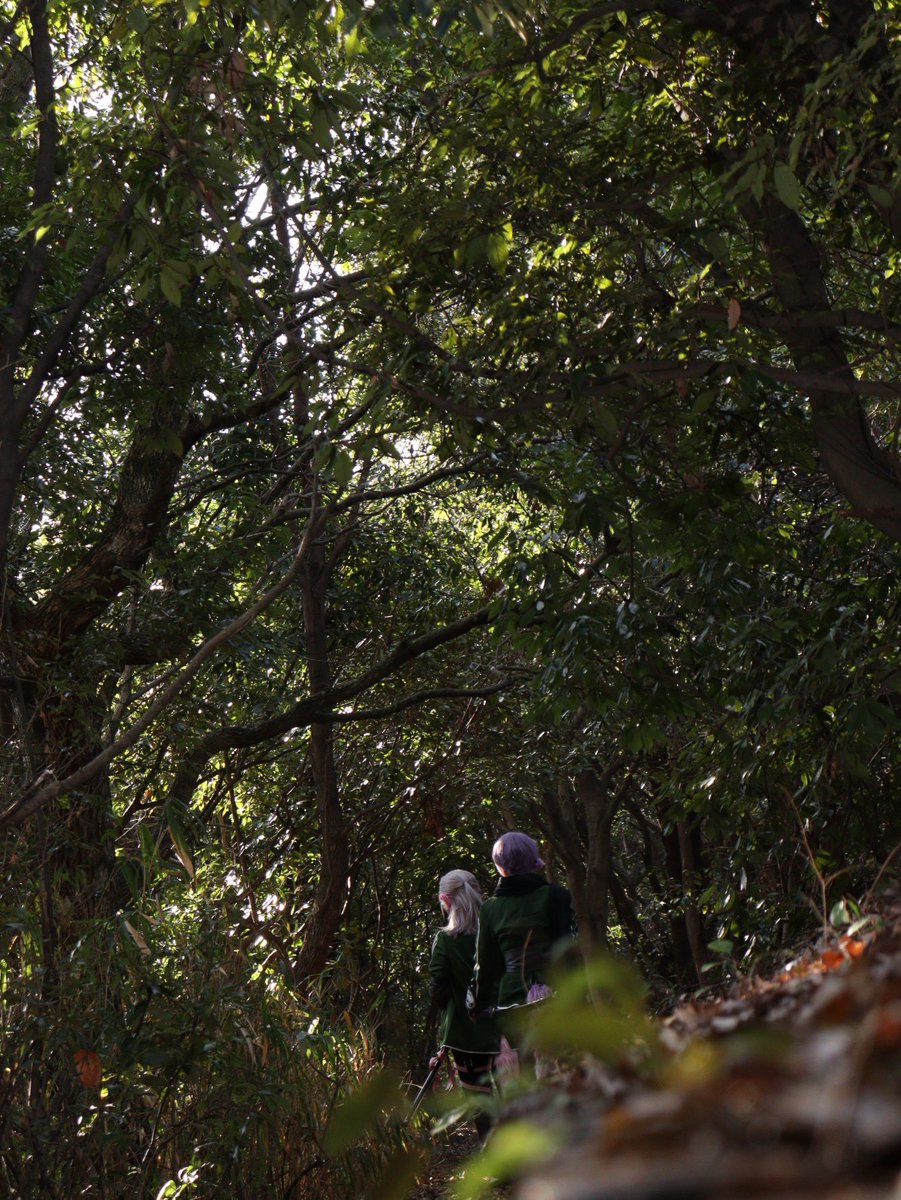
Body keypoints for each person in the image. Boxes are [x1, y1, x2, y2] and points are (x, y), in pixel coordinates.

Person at [470, 831, 575, 1021]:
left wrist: (479, 1004)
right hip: (558, 995)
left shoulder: (490, 909)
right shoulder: (556, 895)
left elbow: (485, 965)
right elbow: (568, 948)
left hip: (512, 1001)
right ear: (533, 861)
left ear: (500, 867)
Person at [427, 869, 501, 1111]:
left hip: (466, 1036)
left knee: (479, 1104)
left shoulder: (446, 941)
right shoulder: (498, 929)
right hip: (507, 1027)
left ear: (445, 901)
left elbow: (439, 989)